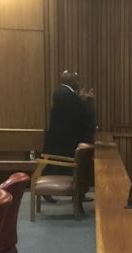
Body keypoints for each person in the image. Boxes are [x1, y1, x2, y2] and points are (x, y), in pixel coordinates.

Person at [43, 70, 96, 201]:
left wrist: (81, 99)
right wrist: (87, 101)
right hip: (64, 140)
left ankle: (78, 194)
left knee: (59, 167)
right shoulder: (65, 94)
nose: (78, 82)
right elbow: (81, 112)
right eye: (76, 79)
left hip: (63, 138)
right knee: (61, 167)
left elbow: (74, 110)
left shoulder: (64, 93)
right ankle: (74, 194)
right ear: (71, 81)